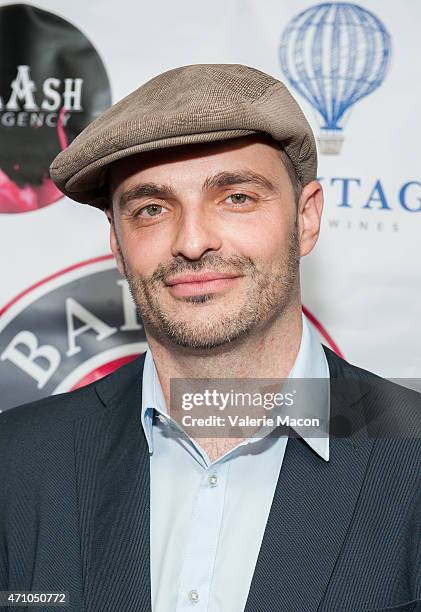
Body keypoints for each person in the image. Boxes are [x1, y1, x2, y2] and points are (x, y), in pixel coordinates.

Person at [0, 64, 420, 612]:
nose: (192, 241)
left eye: (237, 197)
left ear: (307, 218)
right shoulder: (19, 461)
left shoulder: (410, 453)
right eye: (152, 209)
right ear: (118, 244)